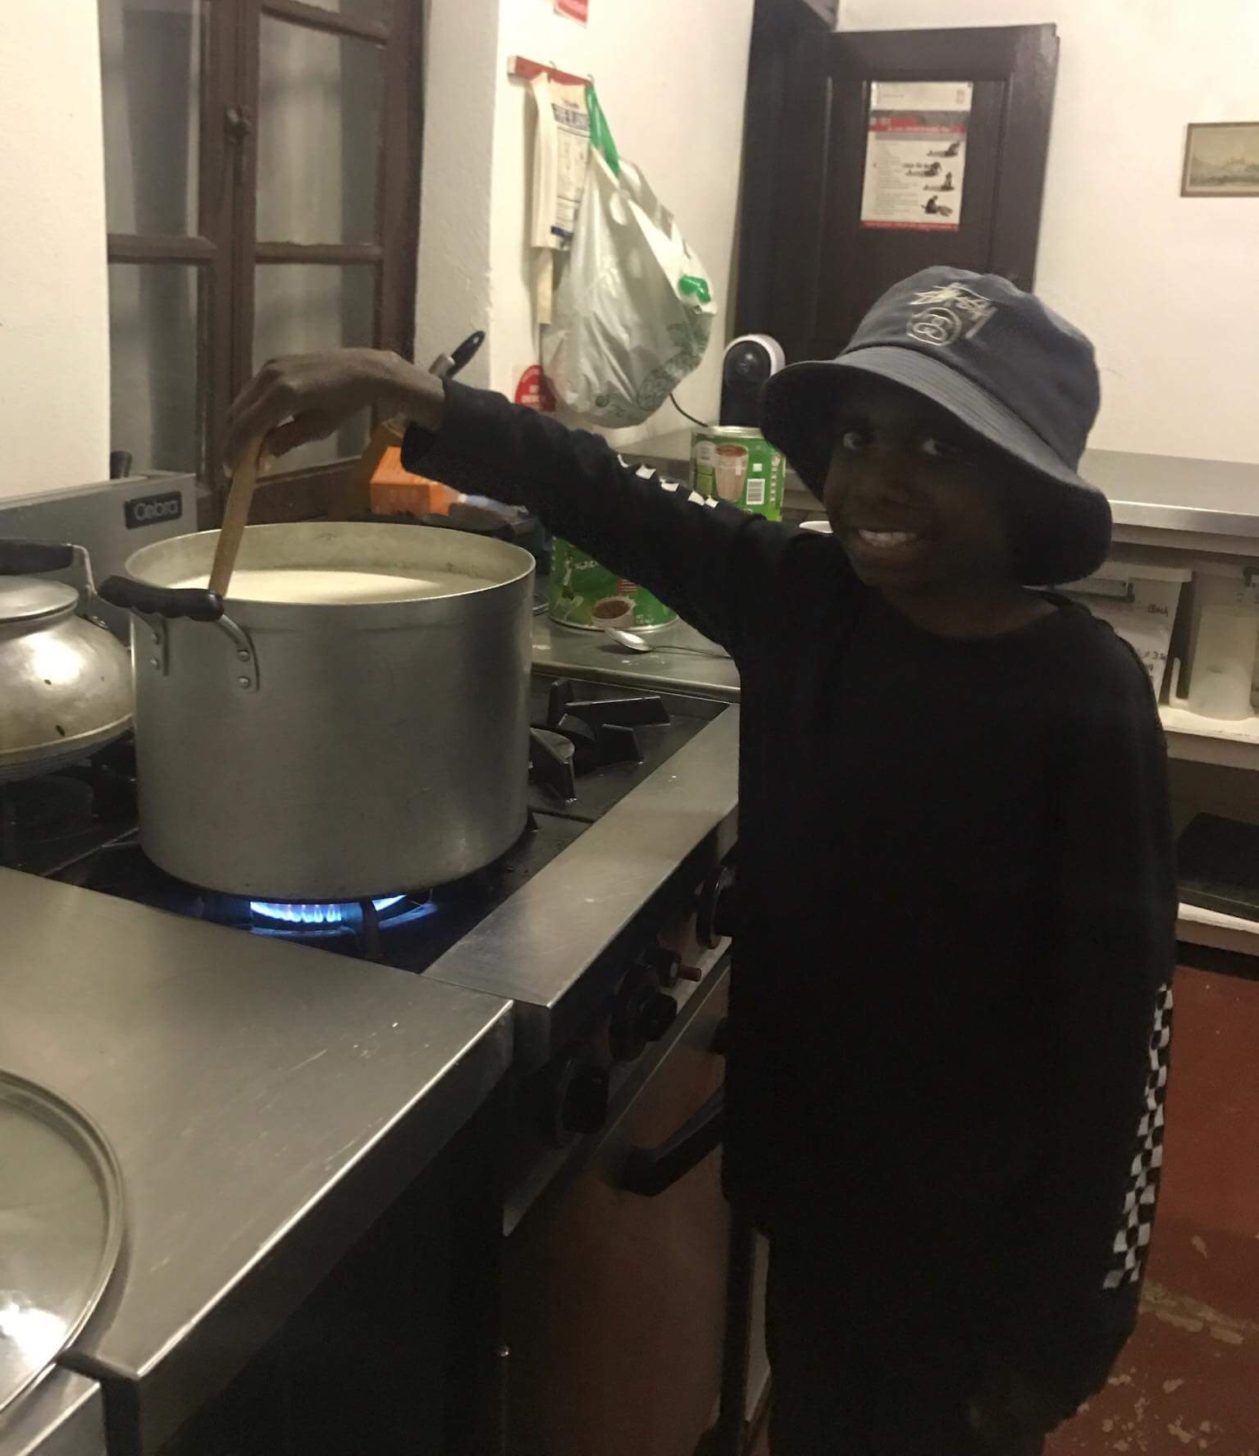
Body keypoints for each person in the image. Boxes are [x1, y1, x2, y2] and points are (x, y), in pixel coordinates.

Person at [225, 268, 1177, 1455]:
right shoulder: (807, 601)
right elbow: (603, 494)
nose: (879, 471)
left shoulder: (1078, 698)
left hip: (970, 1251)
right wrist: (399, 386)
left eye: (937, 442)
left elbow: (1120, 1021)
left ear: (1024, 481)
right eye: (860, 433)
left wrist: (1073, 1323)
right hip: (811, 1196)